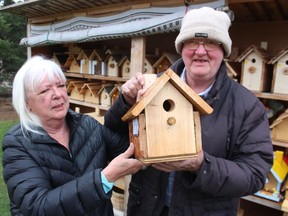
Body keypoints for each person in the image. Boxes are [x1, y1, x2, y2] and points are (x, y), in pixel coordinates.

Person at [104, 7, 274, 216]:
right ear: (182, 47)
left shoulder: (246, 106)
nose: (200, 51)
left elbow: (255, 174)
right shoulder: (152, 87)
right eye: (192, 41)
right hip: (147, 207)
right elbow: (111, 134)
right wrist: (126, 102)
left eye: (211, 42)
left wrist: (202, 165)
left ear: (224, 50)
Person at [2, 55, 144, 216]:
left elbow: (132, 149)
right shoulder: (17, 144)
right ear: (26, 103)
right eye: (45, 90)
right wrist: (104, 179)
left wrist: (126, 103)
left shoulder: (86, 125)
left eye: (61, 85)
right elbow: (39, 207)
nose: (57, 94)